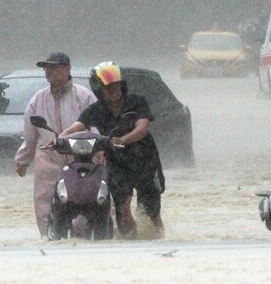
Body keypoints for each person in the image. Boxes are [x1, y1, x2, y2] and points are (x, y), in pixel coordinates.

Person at [63, 61, 165, 239]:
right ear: (98, 89)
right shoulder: (95, 110)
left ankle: (159, 240)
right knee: (122, 207)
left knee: (151, 211)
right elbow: (77, 126)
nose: (113, 90)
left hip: (146, 161)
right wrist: (58, 138)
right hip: (117, 163)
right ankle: (130, 242)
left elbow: (142, 128)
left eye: (116, 85)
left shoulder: (137, 102)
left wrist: (124, 140)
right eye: (108, 87)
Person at [15, 52, 95, 238]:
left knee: (92, 196)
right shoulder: (38, 99)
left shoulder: (84, 97)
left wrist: (100, 152)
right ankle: (48, 238)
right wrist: (22, 161)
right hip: (48, 156)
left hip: (82, 156)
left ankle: (96, 235)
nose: (48, 71)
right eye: (46, 68)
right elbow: (30, 135)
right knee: (44, 200)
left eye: (53, 67)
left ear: (67, 69)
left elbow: (96, 127)